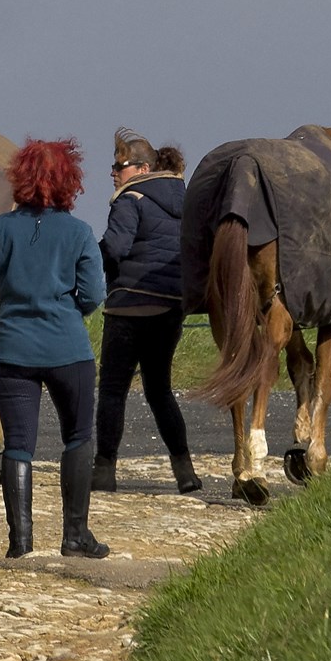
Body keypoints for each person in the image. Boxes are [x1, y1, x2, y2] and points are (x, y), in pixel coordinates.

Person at [0, 137, 110, 559]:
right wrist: (68, 309)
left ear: (20, 180)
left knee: (17, 445)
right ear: (69, 181)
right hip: (69, 352)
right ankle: (75, 536)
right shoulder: (80, 233)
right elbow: (94, 295)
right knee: (78, 437)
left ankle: (20, 544)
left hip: (12, 353)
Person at [95, 129, 201, 494]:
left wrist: (91, 259)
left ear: (142, 168)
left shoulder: (131, 198)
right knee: (160, 391)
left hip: (128, 307)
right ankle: (185, 471)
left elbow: (115, 247)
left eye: (119, 166)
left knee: (113, 391)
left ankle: (104, 471)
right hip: (170, 308)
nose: (113, 172)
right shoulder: (186, 201)